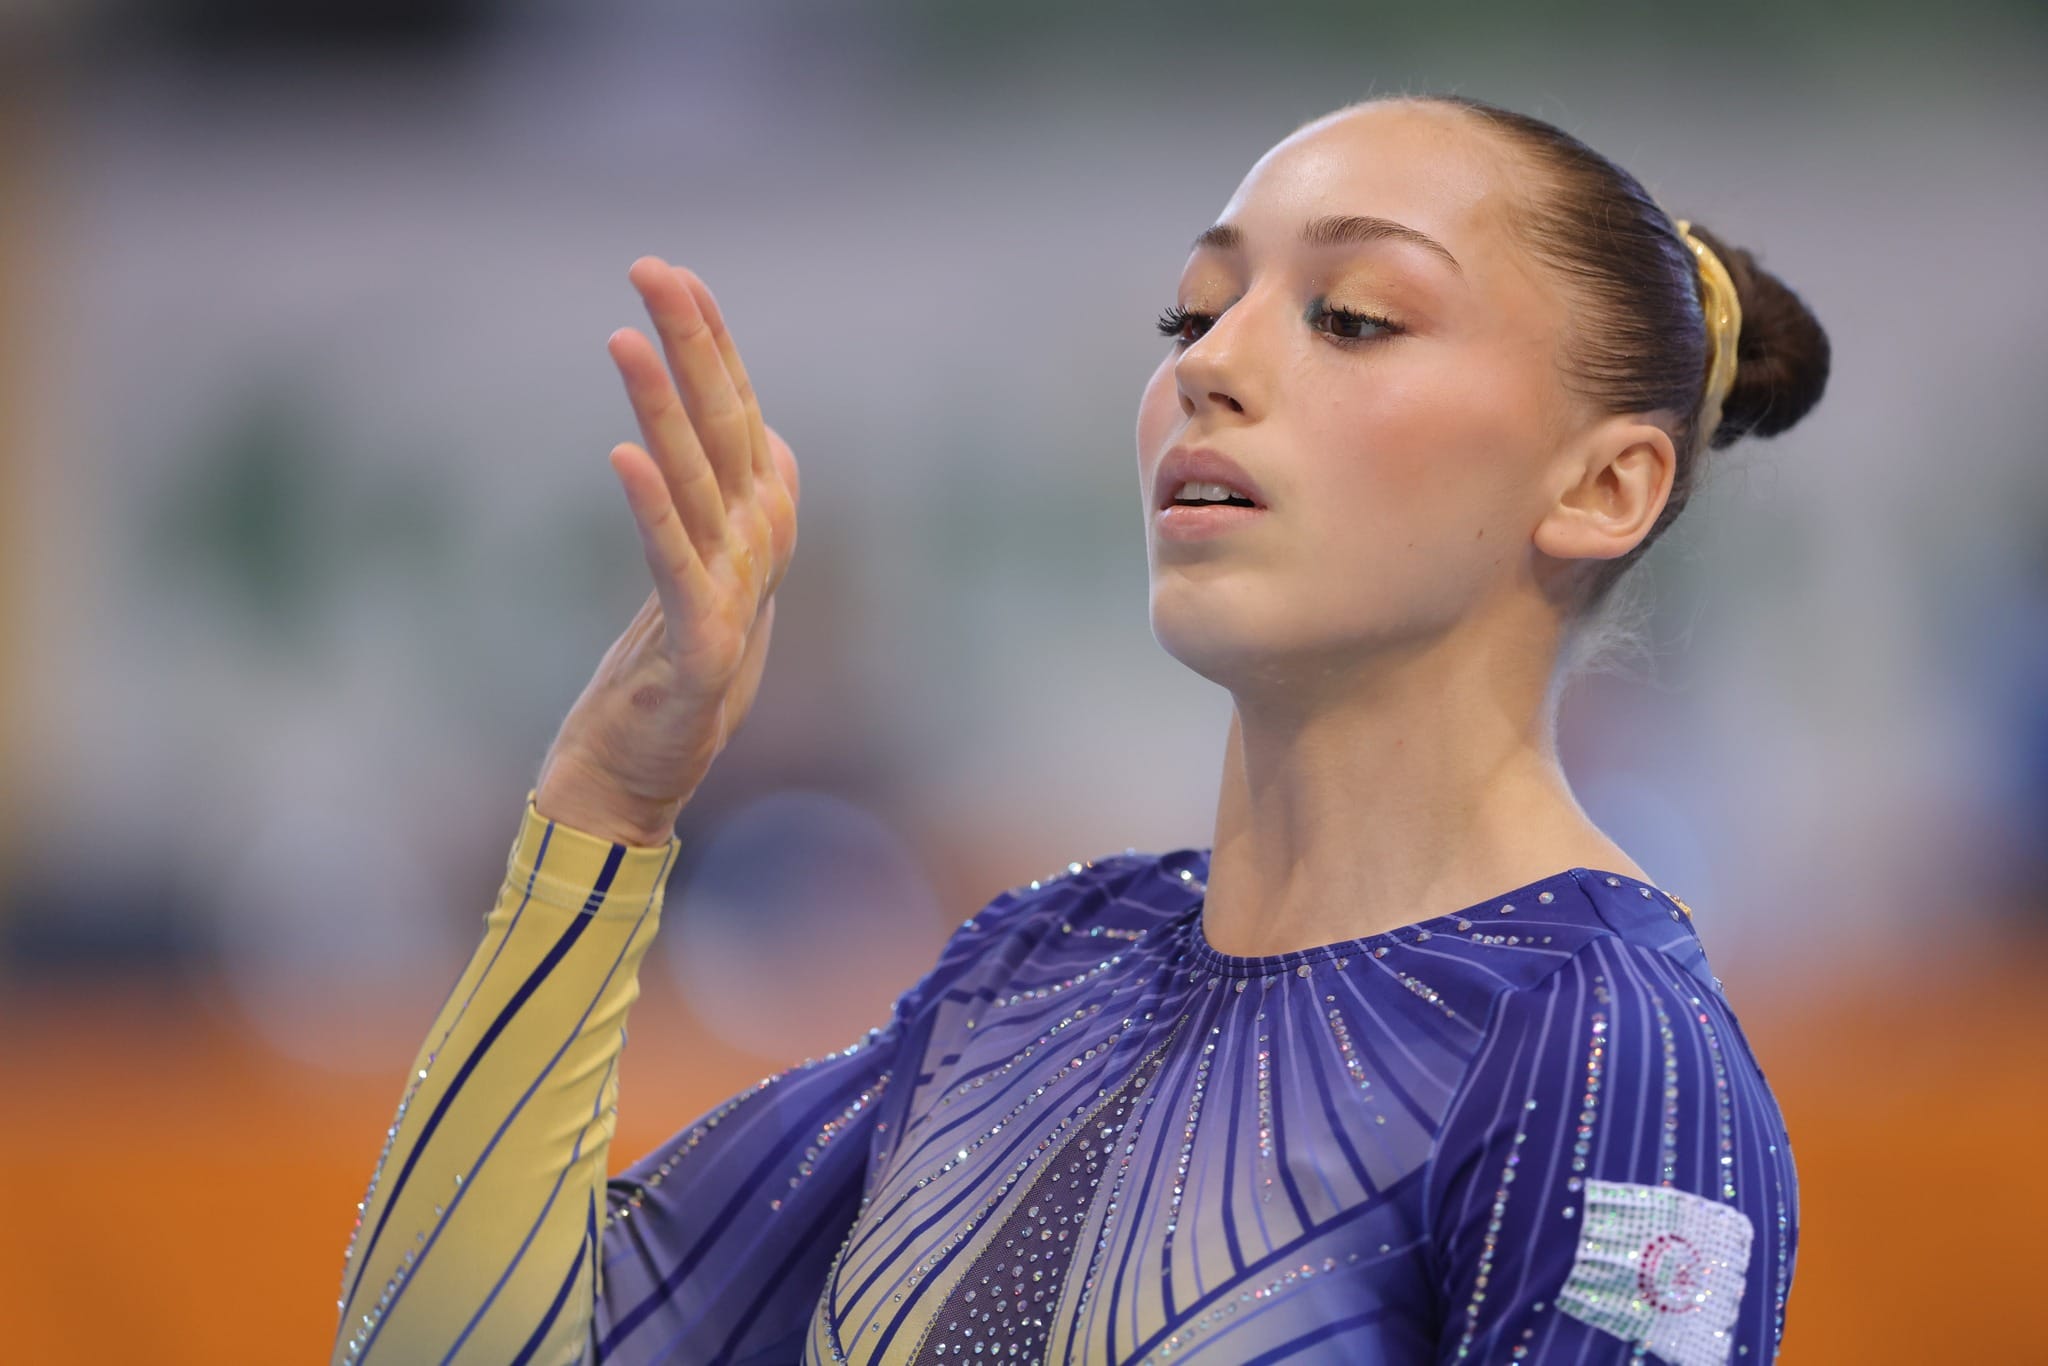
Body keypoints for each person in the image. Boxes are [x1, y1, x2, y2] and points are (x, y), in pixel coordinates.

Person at [330, 91, 1829, 1365]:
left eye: (1355, 316)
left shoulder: (1602, 1051)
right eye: (1193, 309)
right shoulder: (1045, 967)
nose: (1208, 363)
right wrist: (607, 799)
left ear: (1604, 487)